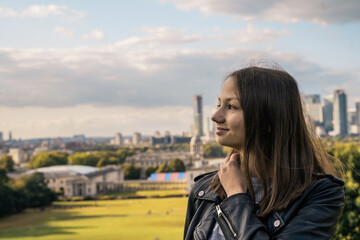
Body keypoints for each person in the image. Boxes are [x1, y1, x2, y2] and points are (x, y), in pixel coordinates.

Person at [183, 66, 345, 240]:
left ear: (269, 119)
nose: (215, 116)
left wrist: (236, 197)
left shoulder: (320, 194)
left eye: (231, 106)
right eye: (219, 104)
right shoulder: (204, 190)